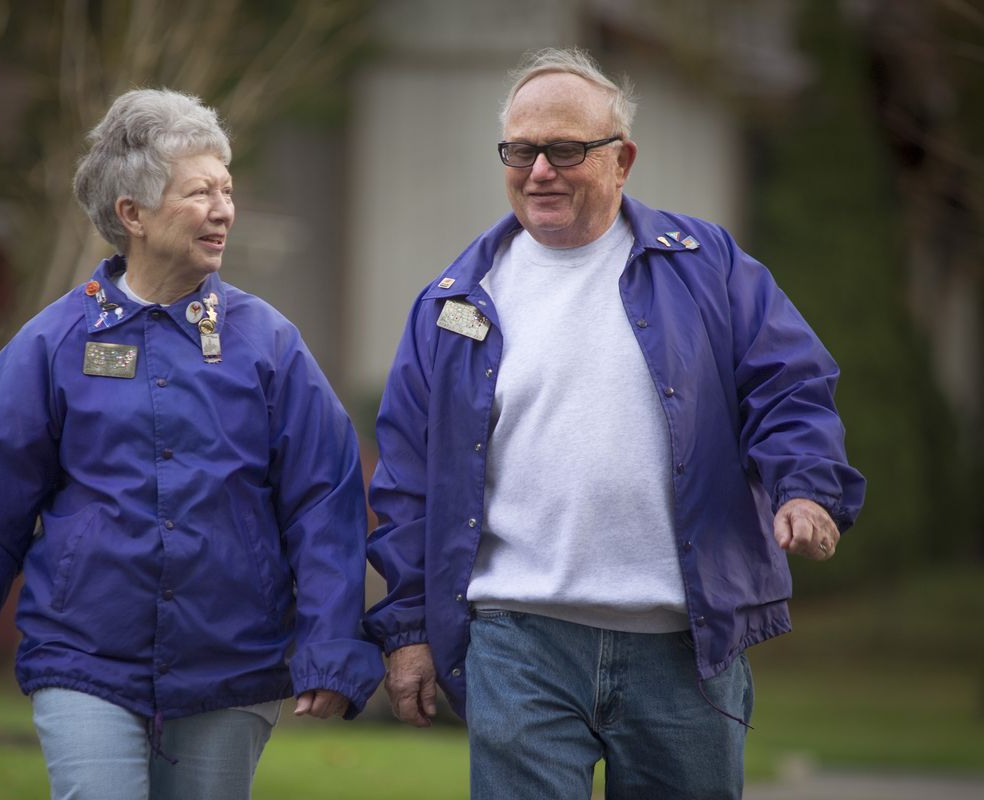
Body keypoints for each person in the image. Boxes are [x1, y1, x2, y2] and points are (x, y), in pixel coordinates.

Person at [364, 48, 866, 799]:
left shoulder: (707, 266)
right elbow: (407, 478)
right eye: (521, 150)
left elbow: (789, 385)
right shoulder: (452, 303)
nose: (539, 170)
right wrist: (406, 633)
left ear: (622, 159)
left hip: (685, 648)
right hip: (519, 641)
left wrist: (806, 488)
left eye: (564, 150)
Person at [0, 88, 382, 800]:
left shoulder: (269, 343)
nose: (222, 210)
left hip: (231, 667)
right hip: (84, 659)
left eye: (227, 190)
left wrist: (331, 647)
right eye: (199, 192)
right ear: (133, 215)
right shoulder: (52, 344)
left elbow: (324, 500)